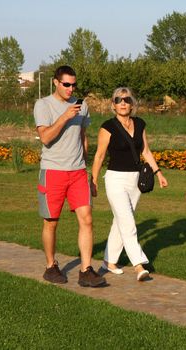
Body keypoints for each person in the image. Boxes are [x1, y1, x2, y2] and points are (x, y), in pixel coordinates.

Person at [34, 65, 106, 287]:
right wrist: (65, 116)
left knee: (87, 219)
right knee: (51, 223)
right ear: (55, 82)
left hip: (77, 173)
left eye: (73, 85)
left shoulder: (82, 106)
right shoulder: (43, 105)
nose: (70, 88)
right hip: (53, 171)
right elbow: (45, 137)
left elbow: (83, 136)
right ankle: (50, 266)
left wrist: (85, 166)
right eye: (66, 84)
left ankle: (85, 270)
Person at [91, 87, 168, 281]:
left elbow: (146, 151)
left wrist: (158, 172)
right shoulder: (107, 127)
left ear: (132, 103)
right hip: (115, 179)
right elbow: (100, 155)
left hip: (135, 180)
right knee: (128, 221)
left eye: (126, 99)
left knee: (120, 221)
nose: (123, 103)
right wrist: (93, 179)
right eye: (118, 100)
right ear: (113, 105)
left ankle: (109, 261)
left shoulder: (140, 124)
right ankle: (138, 265)